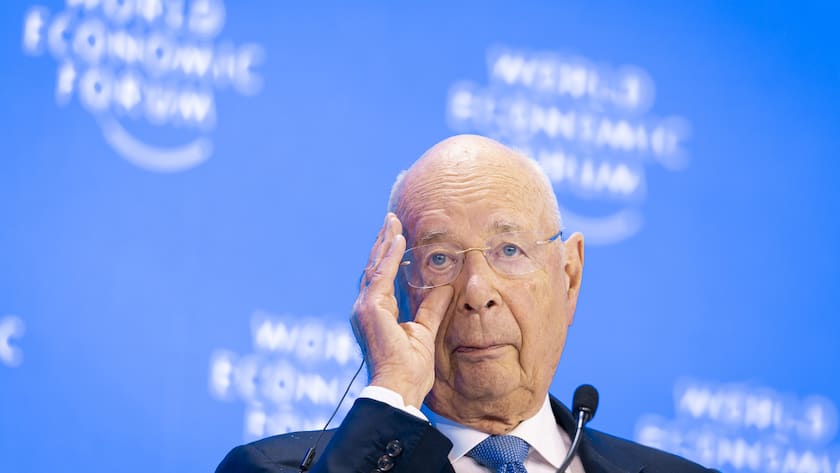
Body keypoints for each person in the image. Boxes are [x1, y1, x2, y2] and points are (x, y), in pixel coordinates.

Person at [216, 135, 717, 472]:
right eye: (439, 259)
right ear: (395, 292)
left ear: (569, 276)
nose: (478, 291)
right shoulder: (265, 467)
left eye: (509, 250)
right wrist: (392, 392)